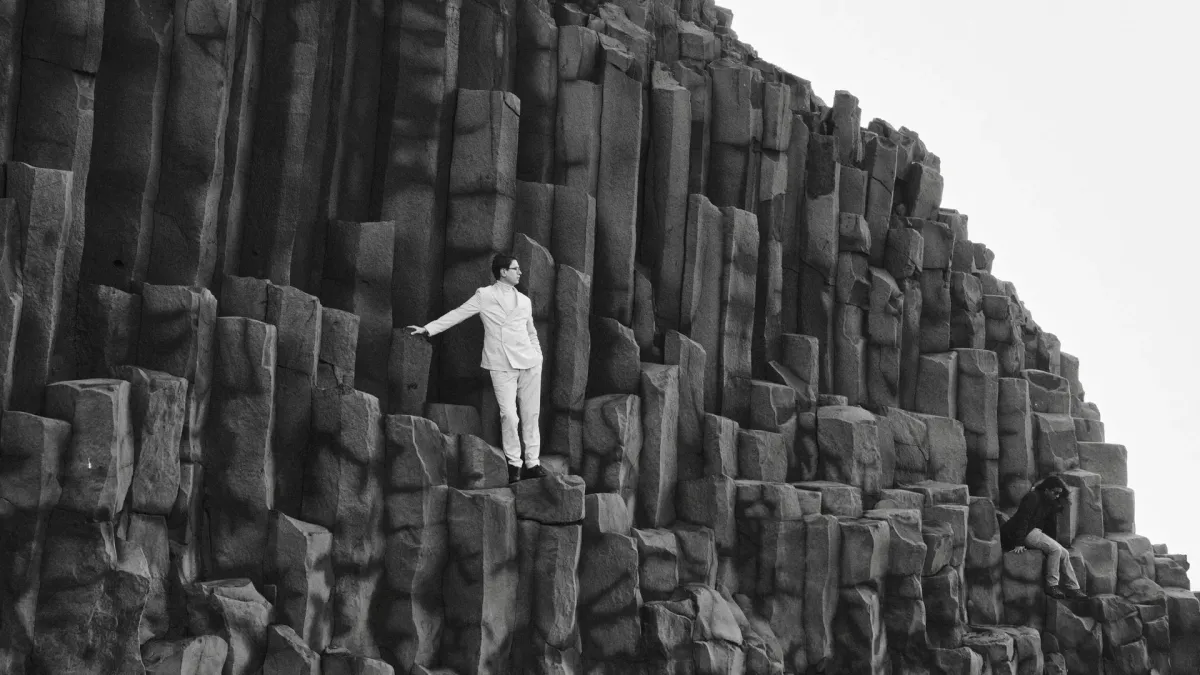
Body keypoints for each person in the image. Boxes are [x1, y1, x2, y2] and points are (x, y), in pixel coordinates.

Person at [408, 254, 547, 484]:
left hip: (530, 363)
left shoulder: (524, 301)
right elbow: (458, 314)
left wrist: (538, 356)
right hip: (501, 364)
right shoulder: (485, 295)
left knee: (531, 414)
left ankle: (533, 463)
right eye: (515, 268)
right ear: (503, 272)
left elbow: (531, 332)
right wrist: (428, 329)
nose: (520, 272)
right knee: (509, 416)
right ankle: (514, 464)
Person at [1000, 475, 1086, 599]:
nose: (1057, 496)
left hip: (1034, 531)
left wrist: (1051, 543)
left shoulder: (1049, 502)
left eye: (1059, 494)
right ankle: (1052, 586)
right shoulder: (1033, 497)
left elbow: (1049, 527)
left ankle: (1073, 588)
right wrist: (1018, 543)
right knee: (1055, 550)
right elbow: (1022, 519)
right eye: (1055, 493)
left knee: (1065, 553)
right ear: (1046, 490)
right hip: (1022, 533)